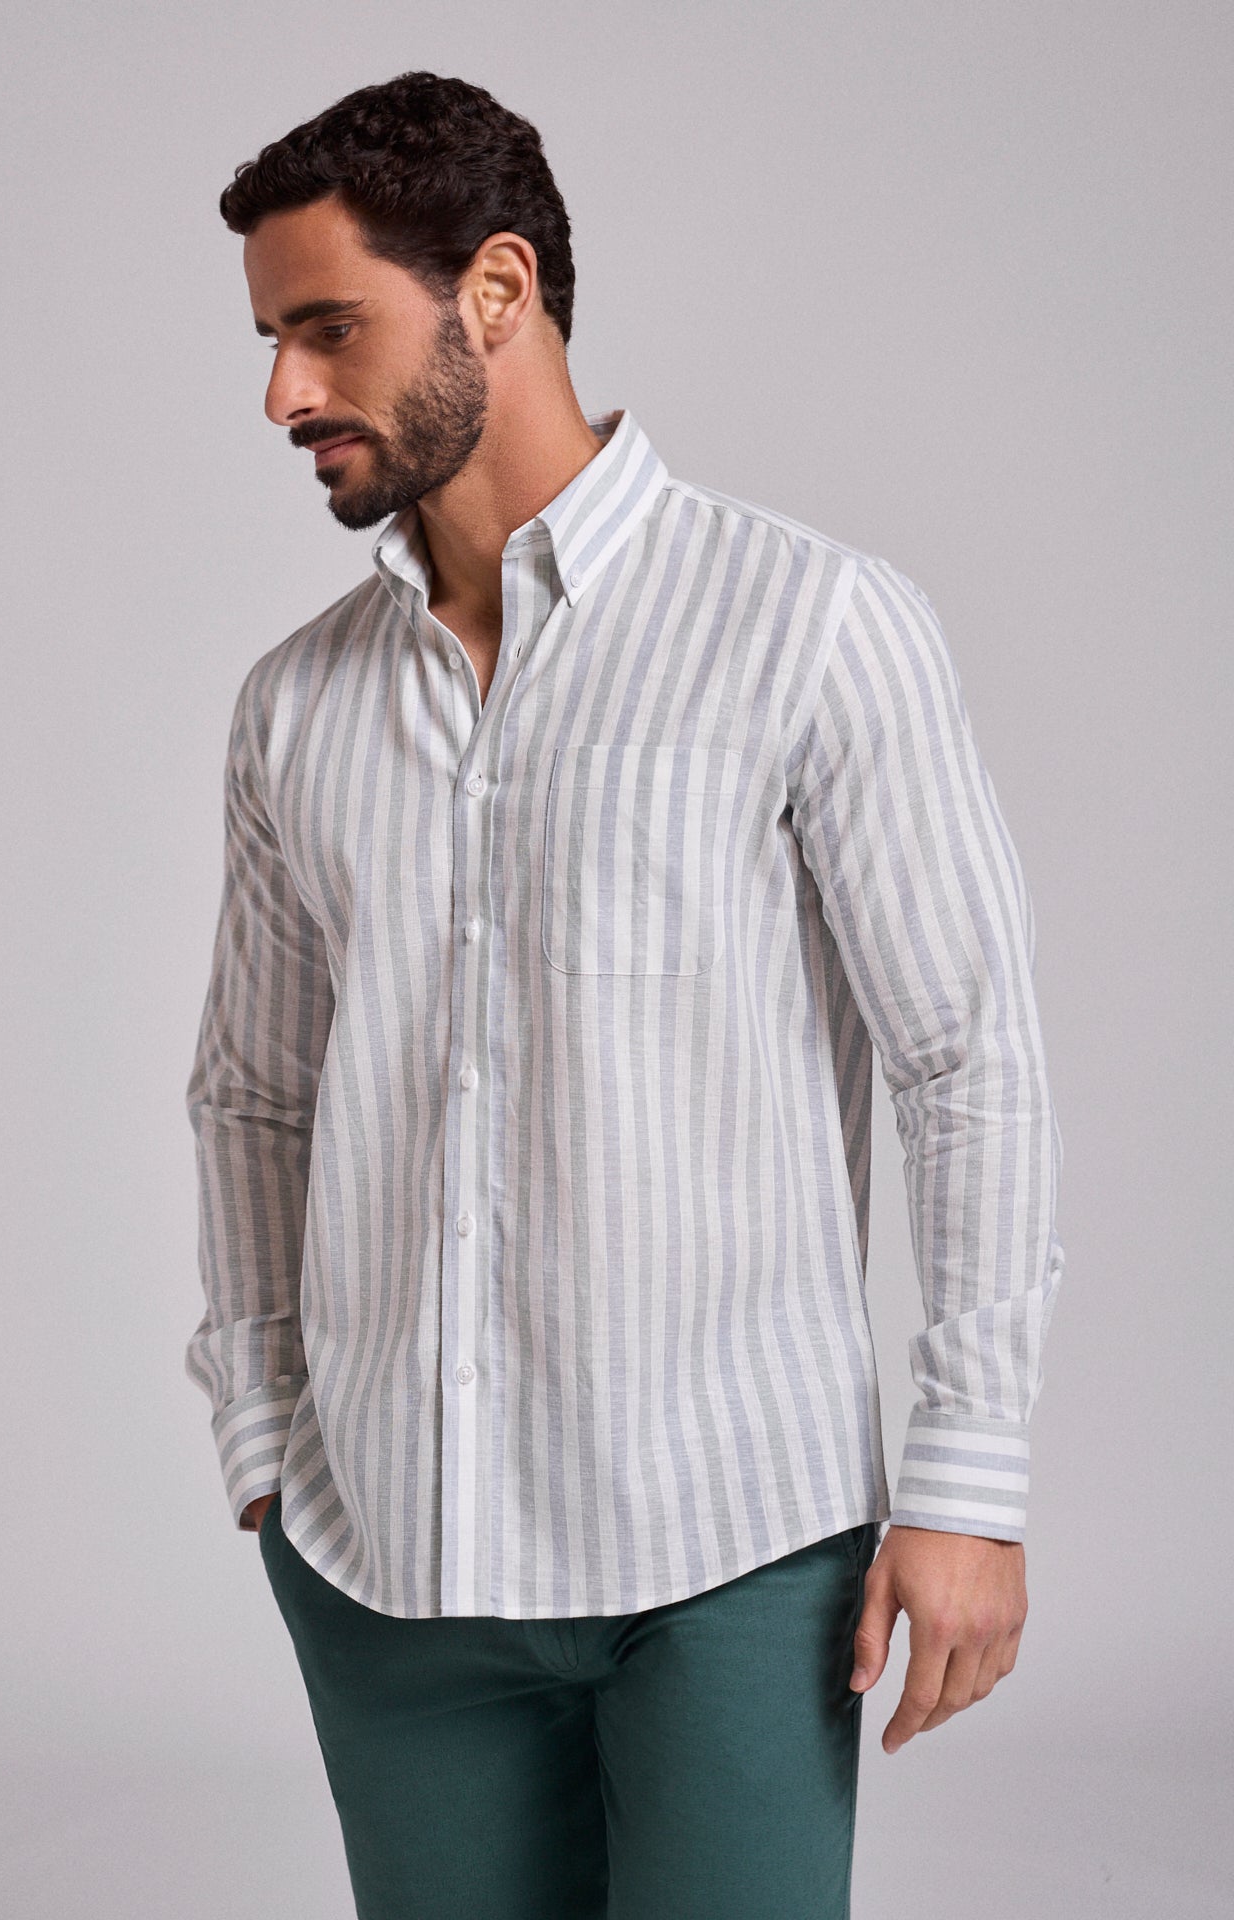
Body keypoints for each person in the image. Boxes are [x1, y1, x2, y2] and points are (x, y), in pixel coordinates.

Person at [183, 69, 1066, 1920]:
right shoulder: (294, 705)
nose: (283, 395)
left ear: (496, 291)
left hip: (734, 1558)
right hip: (387, 1566)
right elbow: (256, 1092)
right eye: (271, 342)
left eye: (327, 329)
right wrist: (264, 1426)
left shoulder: (810, 626)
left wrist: (969, 1482)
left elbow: (967, 1058)